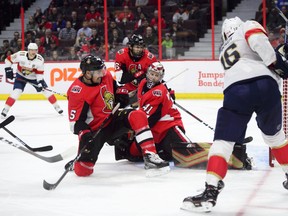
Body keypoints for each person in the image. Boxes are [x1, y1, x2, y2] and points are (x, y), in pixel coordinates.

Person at [181, 17, 288, 213]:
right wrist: (277, 61)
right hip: (266, 87)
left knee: (223, 142)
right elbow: (258, 42)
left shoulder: (224, 51)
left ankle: (210, 190)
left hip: (236, 92)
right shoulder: (247, 26)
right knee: (275, 138)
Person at [66, 55, 170, 177]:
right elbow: (75, 124)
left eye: (102, 69)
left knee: (138, 114)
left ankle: (151, 155)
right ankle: (78, 162)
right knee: (83, 171)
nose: (102, 73)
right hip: (96, 131)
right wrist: (85, 134)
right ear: (88, 74)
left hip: (113, 119)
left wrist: (121, 94)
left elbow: (116, 89)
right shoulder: (77, 91)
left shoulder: (105, 76)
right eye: (98, 71)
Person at [1, 43, 63, 118]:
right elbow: (8, 59)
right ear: (28, 50)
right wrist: (8, 70)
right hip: (20, 75)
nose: (33, 52)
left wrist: (40, 82)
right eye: (31, 50)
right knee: (17, 91)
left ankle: (57, 106)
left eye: (35, 50)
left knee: (46, 91)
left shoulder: (40, 60)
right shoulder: (20, 55)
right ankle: (6, 109)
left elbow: (39, 73)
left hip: (34, 78)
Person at [114, 34, 157, 104]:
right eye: (137, 47)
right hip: (127, 90)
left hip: (144, 90)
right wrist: (137, 74)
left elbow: (156, 77)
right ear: (130, 46)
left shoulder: (150, 58)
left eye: (141, 47)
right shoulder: (121, 55)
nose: (140, 49)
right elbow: (120, 79)